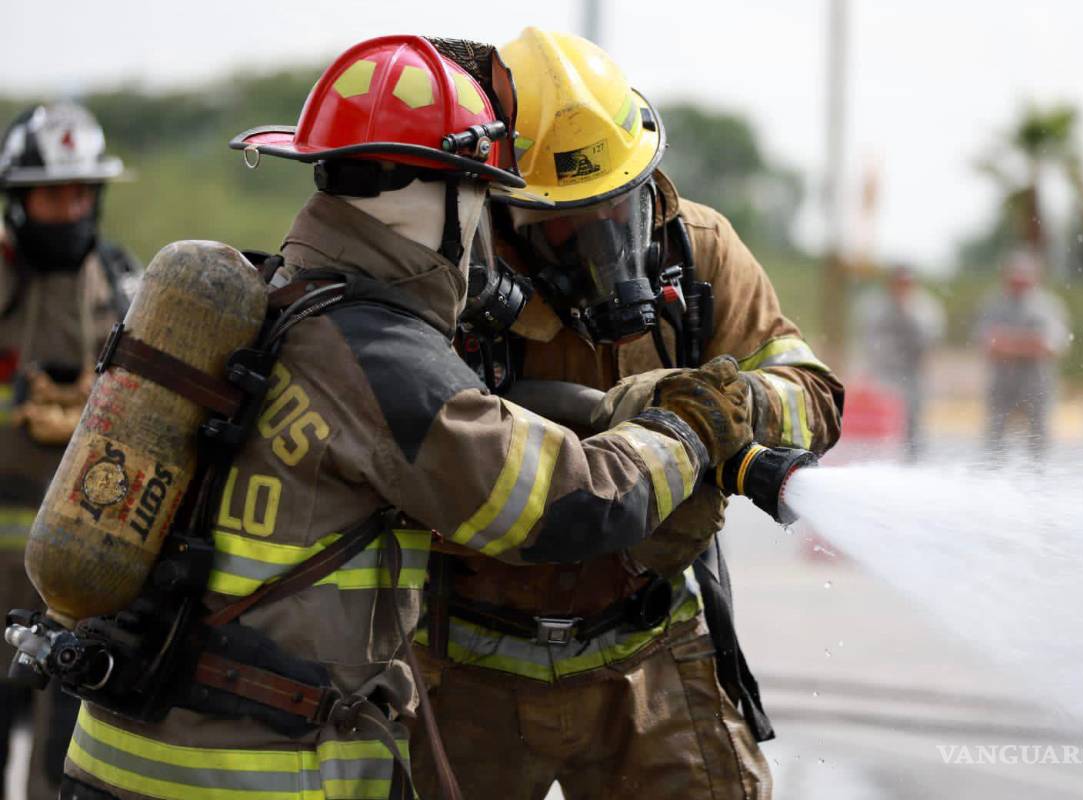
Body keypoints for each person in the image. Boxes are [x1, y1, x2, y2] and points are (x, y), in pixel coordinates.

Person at [58, 35, 753, 800]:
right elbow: (568, 506)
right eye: (482, 198)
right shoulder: (380, 359)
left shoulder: (269, 305)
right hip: (258, 778)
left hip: (119, 757)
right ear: (446, 202)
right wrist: (688, 430)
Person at [410, 28, 844, 800]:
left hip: (648, 654)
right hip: (465, 671)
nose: (605, 238)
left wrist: (733, 409)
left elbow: (812, 392)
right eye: (568, 220)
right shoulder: (442, 276)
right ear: (504, 205)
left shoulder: (699, 248)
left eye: (619, 204)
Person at [0, 101, 139, 800]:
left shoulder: (122, 286)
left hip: (73, 590)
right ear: (19, 201)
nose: (71, 208)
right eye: (55, 193)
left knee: (61, 763)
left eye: (82, 191)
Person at [976, 251, 1070, 460]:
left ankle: (1037, 484)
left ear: (1036, 276)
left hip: (1036, 383)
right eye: (1015, 274)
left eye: (1025, 274)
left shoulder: (1049, 306)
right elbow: (988, 344)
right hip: (1002, 383)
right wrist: (1029, 342)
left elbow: (1051, 346)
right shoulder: (992, 305)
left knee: (1039, 439)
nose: (1019, 280)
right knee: (995, 438)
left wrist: (1008, 342)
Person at [856, 265, 945, 459]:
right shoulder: (875, 306)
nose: (901, 288)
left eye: (906, 284)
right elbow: (869, 341)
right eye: (898, 283)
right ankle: (883, 461)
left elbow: (929, 341)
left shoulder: (924, 307)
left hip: (913, 374)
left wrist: (907, 311)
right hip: (884, 374)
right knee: (884, 424)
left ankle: (913, 462)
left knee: (913, 423)